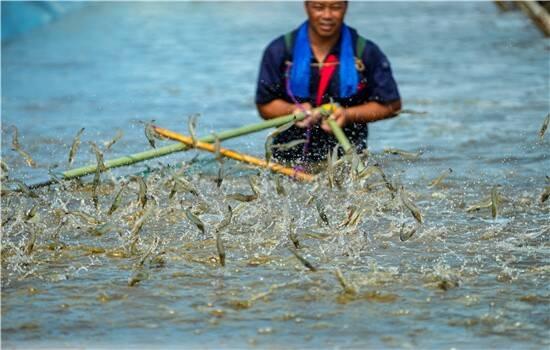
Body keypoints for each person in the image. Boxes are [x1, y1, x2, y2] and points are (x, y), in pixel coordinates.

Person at [255, 0, 401, 164]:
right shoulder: (279, 50)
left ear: (346, 7)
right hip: (286, 163)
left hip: (348, 160)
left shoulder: (366, 52)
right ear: (306, 7)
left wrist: (347, 115)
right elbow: (264, 106)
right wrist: (292, 110)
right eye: (318, 7)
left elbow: (392, 106)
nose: (327, 15)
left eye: (335, 7)